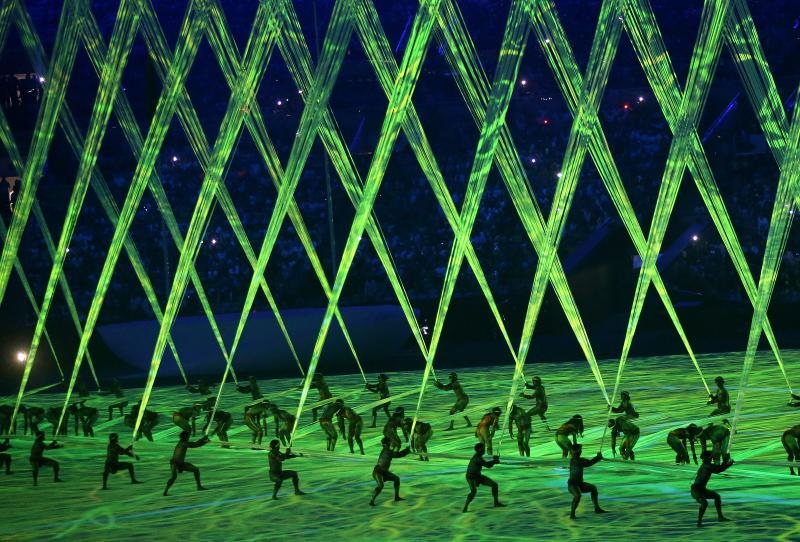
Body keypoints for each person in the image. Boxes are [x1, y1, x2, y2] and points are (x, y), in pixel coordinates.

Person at [691, 451, 734, 527]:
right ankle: (699, 522)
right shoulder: (707, 466)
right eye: (711, 457)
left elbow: (718, 468)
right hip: (696, 490)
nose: (712, 458)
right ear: (709, 458)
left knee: (717, 496)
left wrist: (725, 463)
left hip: (701, 489)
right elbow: (719, 469)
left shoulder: (706, 465)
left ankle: (720, 517)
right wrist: (729, 463)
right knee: (704, 503)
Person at [163, 431, 210, 496]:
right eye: (188, 436)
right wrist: (204, 441)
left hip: (180, 463)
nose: (188, 437)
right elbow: (195, 445)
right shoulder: (183, 443)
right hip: (175, 462)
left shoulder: (181, 442)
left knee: (196, 470)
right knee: (173, 477)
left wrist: (203, 440)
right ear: (185, 437)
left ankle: (199, 487)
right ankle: (165, 491)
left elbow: (195, 444)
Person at [567, 444, 606, 519]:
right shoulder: (576, 460)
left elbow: (588, 462)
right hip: (573, 485)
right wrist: (598, 457)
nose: (581, 451)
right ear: (577, 452)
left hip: (579, 484)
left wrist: (597, 457)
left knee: (593, 488)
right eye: (580, 450)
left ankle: (597, 508)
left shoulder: (577, 459)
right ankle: (572, 514)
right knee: (577, 495)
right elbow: (589, 463)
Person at [462, 442, 504, 512]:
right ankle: (465, 507)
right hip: (471, 477)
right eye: (483, 448)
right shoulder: (477, 458)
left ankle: (496, 503)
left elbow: (487, 464)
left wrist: (494, 461)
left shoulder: (478, 456)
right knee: (473, 492)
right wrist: (494, 461)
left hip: (477, 476)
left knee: (494, 485)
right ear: (479, 450)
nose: (484, 450)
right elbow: (487, 465)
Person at [369, 437, 410, 506]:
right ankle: (372, 501)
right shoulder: (387, 451)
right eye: (390, 442)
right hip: (378, 472)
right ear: (388, 443)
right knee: (380, 486)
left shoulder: (386, 450)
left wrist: (405, 449)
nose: (391, 443)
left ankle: (396, 497)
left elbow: (395, 452)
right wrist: (407, 450)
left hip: (384, 472)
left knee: (397, 479)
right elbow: (398, 454)